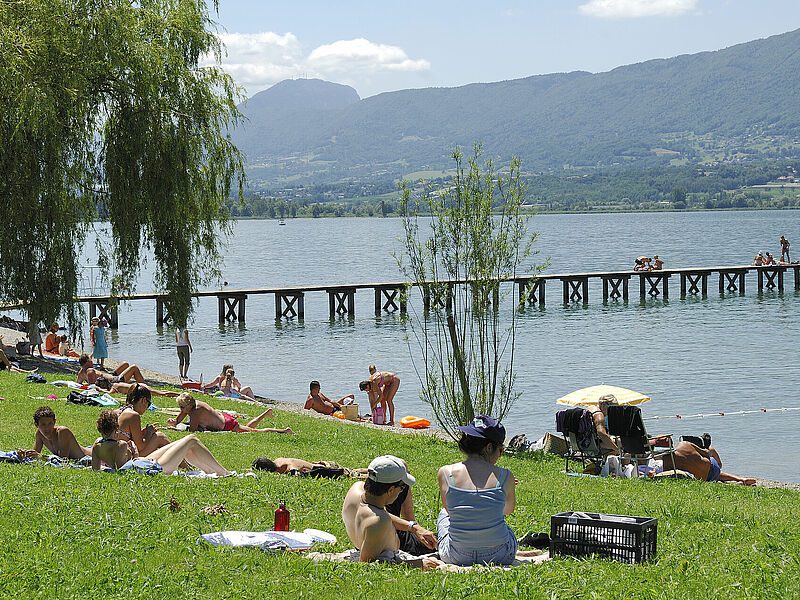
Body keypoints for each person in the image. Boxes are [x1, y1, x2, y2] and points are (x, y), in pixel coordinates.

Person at [437, 415, 517, 566]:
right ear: (489, 447)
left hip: (456, 555)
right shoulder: (505, 476)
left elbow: (449, 510)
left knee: (443, 513)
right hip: (499, 555)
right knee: (505, 527)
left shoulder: (446, 472)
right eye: (501, 450)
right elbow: (508, 510)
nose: (500, 454)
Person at [341, 455, 441, 569]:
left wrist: (413, 527)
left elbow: (377, 513)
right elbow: (367, 564)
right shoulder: (378, 522)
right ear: (391, 490)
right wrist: (417, 564)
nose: (401, 491)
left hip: (361, 544)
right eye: (402, 488)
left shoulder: (356, 490)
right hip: (390, 555)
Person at [91, 410, 229, 475]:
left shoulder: (97, 445)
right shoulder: (121, 445)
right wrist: (134, 453)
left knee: (180, 444)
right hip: (150, 468)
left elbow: (96, 469)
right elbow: (123, 470)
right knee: (191, 439)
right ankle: (223, 472)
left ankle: (209, 470)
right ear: (116, 428)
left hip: (142, 463)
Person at [167, 392, 291, 433]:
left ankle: (284, 431)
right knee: (248, 428)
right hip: (224, 418)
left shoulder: (195, 412)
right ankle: (266, 413)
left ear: (188, 405)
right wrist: (175, 421)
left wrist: (175, 427)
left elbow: (192, 430)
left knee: (255, 431)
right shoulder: (194, 405)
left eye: (181, 407)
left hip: (226, 424)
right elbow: (180, 417)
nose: (180, 409)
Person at [660, 440, 756, 485]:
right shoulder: (684, 444)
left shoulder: (666, 462)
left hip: (705, 477)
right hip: (711, 467)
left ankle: (738, 480)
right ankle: (740, 478)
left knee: (712, 473)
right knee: (710, 457)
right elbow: (706, 453)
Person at [116, 383, 171, 456]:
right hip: (125, 456)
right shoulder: (133, 415)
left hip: (113, 453)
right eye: (149, 404)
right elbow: (140, 447)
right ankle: (182, 460)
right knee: (160, 437)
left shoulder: (119, 411)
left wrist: (142, 433)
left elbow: (125, 436)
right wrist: (148, 433)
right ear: (144, 400)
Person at [18, 406, 90, 460]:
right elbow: (35, 454)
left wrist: (41, 457)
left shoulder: (62, 432)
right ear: (36, 425)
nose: (47, 428)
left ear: (54, 422)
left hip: (91, 455)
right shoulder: (39, 434)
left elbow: (63, 459)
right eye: (43, 424)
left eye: (50, 423)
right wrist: (25, 454)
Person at [253, 456, 367, 478]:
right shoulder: (278, 460)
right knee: (354, 470)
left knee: (355, 475)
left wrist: (294, 473)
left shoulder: (287, 466)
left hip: (327, 468)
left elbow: (294, 471)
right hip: (324, 463)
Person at [76, 354, 144, 385]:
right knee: (134, 367)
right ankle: (143, 387)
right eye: (91, 360)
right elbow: (93, 386)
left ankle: (128, 377)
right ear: (87, 362)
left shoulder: (81, 372)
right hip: (114, 381)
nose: (92, 361)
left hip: (110, 376)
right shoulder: (90, 370)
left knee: (125, 364)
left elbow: (78, 383)